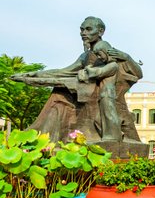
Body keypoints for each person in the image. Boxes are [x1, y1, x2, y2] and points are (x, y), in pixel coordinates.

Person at [11, 16, 143, 143]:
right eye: (82, 29)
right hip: (87, 91)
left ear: (101, 31)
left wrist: (127, 57)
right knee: (59, 95)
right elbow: (64, 71)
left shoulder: (110, 51)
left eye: (88, 29)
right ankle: (46, 138)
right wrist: (35, 74)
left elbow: (137, 73)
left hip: (103, 94)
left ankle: (111, 135)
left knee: (71, 93)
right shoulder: (85, 56)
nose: (83, 33)